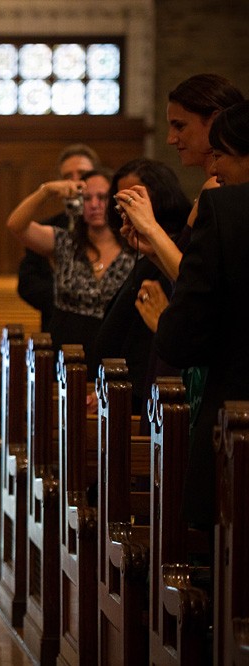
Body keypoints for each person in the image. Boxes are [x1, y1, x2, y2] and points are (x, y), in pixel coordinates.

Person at [155, 181, 249, 530]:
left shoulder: (226, 207)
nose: (214, 169)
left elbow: (180, 339)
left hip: (234, 419)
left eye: (220, 154)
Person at [118, 73, 244, 283]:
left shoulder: (218, 189)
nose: (170, 139)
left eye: (180, 126)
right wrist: (154, 249)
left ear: (214, 121)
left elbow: (202, 285)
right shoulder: (211, 187)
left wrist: (150, 227)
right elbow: (184, 276)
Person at [90, 159, 190, 413]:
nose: (125, 211)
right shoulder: (148, 252)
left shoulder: (178, 248)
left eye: (133, 200)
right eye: (121, 203)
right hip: (122, 392)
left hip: (144, 394)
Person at [7, 167, 135, 358]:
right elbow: (16, 225)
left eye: (102, 197)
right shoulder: (65, 242)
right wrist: (47, 191)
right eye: (87, 198)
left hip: (116, 352)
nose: (94, 204)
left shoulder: (132, 247)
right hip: (67, 349)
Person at [16, 144, 100, 332]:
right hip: (58, 326)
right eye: (67, 177)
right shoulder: (49, 229)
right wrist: (69, 298)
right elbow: (28, 284)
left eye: (83, 174)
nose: (74, 183)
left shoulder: (111, 227)